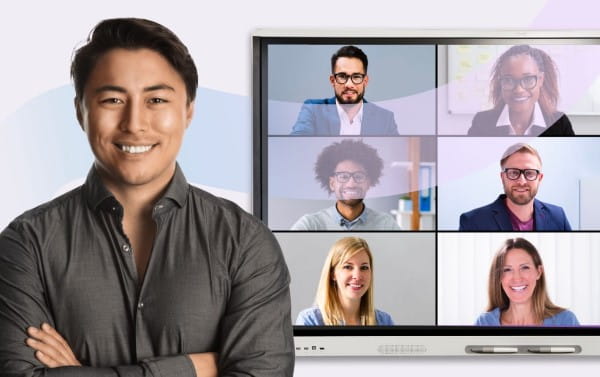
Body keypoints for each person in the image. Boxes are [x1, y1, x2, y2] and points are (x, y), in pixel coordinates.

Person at [0, 18, 293, 376]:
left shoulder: (244, 242)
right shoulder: (27, 243)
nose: (135, 123)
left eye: (156, 99)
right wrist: (195, 368)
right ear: (80, 112)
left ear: (188, 110)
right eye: (112, 99)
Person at [291, 139, 400, 230]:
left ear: (368, 183)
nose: (351, 184)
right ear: (332, 183)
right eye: (343, 176)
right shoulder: (310, 225)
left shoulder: (386, 225)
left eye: (358, 176)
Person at [459, 143, 571, 231]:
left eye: (530, 173)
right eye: (513, 173)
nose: (521, 181)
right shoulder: (472, 221)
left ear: (540, 178)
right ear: (503, 177)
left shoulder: (558, 216)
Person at [467, 44, 575, 136]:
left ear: (541, 79)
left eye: (528, 79)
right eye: (509, 80)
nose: (519, 90)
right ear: (501, 82)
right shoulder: (481, 123)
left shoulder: (559, 124)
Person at [290, 45, 399, 136]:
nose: (349, 84)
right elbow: (296, 142)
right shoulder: (313, 110)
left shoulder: (385, 119)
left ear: (365, 81)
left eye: (356, 77)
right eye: (342, 76)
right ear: (333, 81)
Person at [475, 238, 579, 326]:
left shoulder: (566, 321)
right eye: (507, 269)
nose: (517, 278)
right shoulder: (484, 323)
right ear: (498, 277)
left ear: (538, 272)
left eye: (524, 267)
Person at [296, 237, 393, 325]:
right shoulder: (310, 320)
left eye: (364, 267)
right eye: (348, 267)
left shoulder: (384, 321)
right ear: (333, 274)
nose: (357, 276)